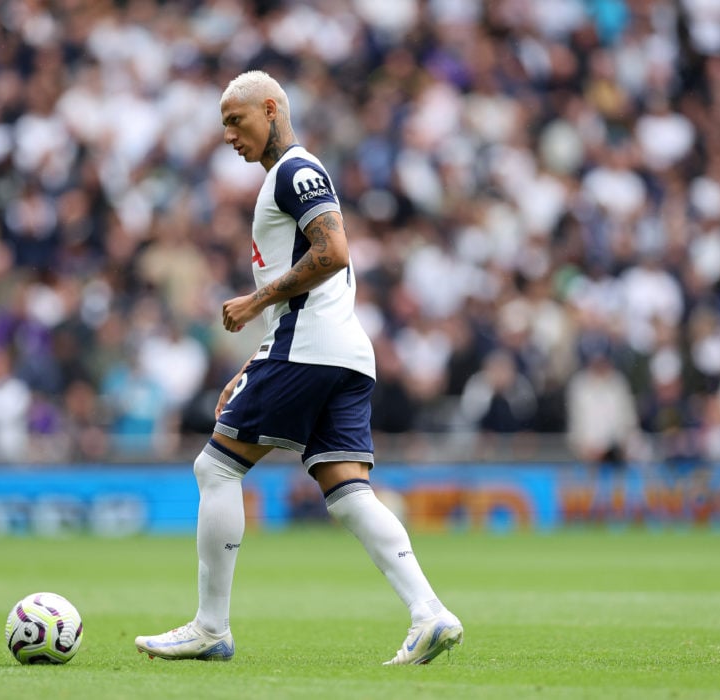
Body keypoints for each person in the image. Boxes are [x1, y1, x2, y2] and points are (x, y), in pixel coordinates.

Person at [134, 71, 462, 665]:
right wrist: (259, 357)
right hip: (340, 354)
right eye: (223, 126)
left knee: (216, 470)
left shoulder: (295, 171)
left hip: (308, 347)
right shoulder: (287, 177)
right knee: (348, 492)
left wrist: (255, 302)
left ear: (270, 108)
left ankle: (211, 628)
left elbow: (333, 253)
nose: (229, 136)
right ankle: (430, 613)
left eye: (237, 121)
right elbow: (312, 291)